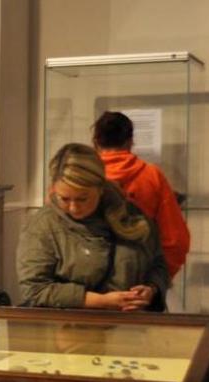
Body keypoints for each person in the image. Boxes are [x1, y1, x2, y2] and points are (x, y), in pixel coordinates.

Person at [17, 143, 167, 310]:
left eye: (82, 199)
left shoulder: (131, 215)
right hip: (70, 330)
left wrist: (151, 289)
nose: (73, 208)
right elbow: (34, 289)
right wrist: (102, 302)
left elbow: (158, 262)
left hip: (131, 327)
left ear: (100, 189)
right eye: (64, 199)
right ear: (54, 190)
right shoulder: (44, 226)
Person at [92, 110, 190, 278]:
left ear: (95, 142)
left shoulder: (82, 175)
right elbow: (176, 240)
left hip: (88, 280)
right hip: (138, 278)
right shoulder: (151, 176)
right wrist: (156, 281)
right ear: (130, 141)